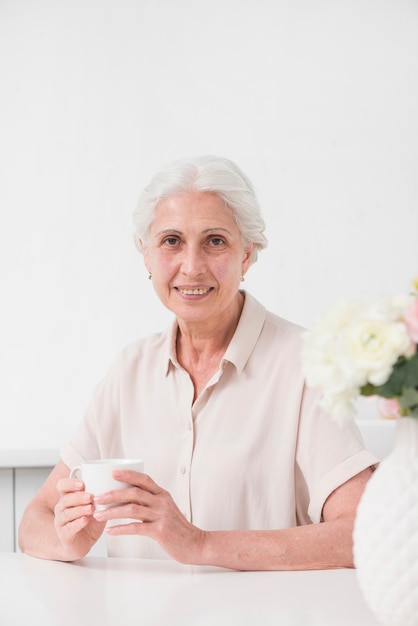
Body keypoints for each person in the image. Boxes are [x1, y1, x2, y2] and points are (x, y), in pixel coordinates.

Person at [18, 155, 377, 569]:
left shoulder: (308, 364)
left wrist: (199, 544)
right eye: (171, 240)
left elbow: (361, 533)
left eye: (215, 241)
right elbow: (35, 519)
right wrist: (68, 541)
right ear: (146, 255)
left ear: (247, 254)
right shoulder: (129, 370)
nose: (191, 266)